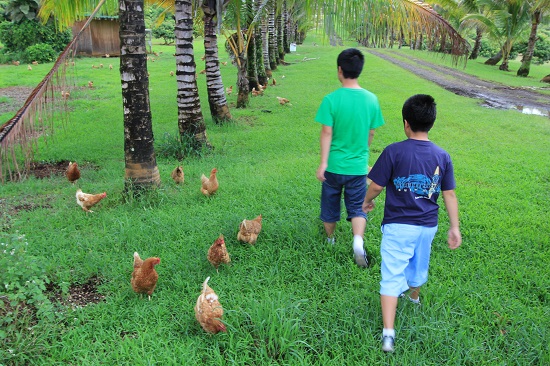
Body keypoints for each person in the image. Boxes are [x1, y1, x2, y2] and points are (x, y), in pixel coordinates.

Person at [362, 94, 462, 352]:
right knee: (419, 264)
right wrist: (454, 227)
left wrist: (365, 202)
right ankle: (413, 299)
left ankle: (388, 334)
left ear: (406, 123)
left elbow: (376, 186)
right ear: (432, 122)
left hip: (398, 225)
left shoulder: (393, 151)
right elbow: (449, 194)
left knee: (391, 275)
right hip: (427, 226)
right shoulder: (443, 155)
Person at [315, 48, 385, 267]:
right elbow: (371, 132)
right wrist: (362, 152)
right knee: (357, 206)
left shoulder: (331, 99)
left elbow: (326, 132)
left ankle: (330, 239)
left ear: (339, 70)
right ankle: (357, 240)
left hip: (334, 167)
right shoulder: (372, 100)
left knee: (330, 204)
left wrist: (324, 163)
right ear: (359, 70)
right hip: (358, 168)